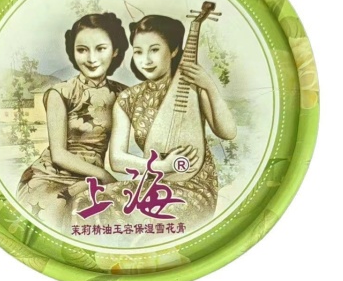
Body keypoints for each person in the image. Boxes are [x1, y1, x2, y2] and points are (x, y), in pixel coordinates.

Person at [71, 14, 237, 229]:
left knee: (156, 217)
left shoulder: (192, 89)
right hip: (152, 184)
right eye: (138, 52)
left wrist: (209, 87)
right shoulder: (128, 98)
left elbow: (228, 132)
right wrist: (161, 166)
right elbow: (117, 160)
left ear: (174, 50)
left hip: (193, 185)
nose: (145, 60)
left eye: (154, 50)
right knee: (85, 203)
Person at [16, 12, 128, 229]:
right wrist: (103, 174)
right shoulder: (61, 92)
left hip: (92, 180)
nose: (91, 58)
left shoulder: (123, 94)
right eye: (82, 50)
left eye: (100, 49)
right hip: (50, 178)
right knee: (57, 213)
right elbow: (58, 154)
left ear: (115, 50)